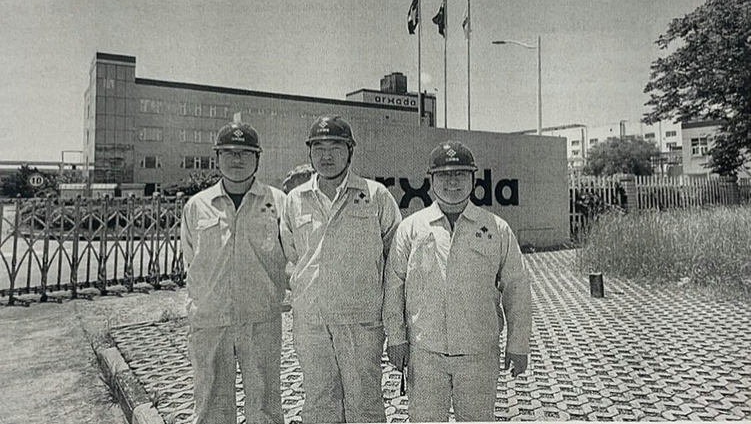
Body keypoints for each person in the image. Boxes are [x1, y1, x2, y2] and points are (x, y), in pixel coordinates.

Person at [383, 140, 532, 422]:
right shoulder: (411, 228)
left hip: (478, 354)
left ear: (473, 179)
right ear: (431, 180)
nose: (452, 182)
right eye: (444, 175)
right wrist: (396, 338)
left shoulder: (496, 228)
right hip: (425, 354)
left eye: (460, 174)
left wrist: (518, 344)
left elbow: (517, 288)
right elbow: (394, 287)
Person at [280, 115, 402, 423]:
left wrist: (393, 323)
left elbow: (396, 259)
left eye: (335, 147)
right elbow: (290, 256)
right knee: (319, 403)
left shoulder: (375, 196)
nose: (326, 156)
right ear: (310, 153)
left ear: (350, 151)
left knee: (364, 404)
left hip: (360, 321)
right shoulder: (295, 200)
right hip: (312, 323)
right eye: (318, 148)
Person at [180, 122, 286, 424]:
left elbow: (288, 256)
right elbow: (191, 260)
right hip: (211, 320)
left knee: (265, 406)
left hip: (261, 319)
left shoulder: (277, 202)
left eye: (245, 153)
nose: (236, 159)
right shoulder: (197, 206)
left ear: (257, 158)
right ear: (217, 158)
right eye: (228, 152)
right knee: (211, 406)